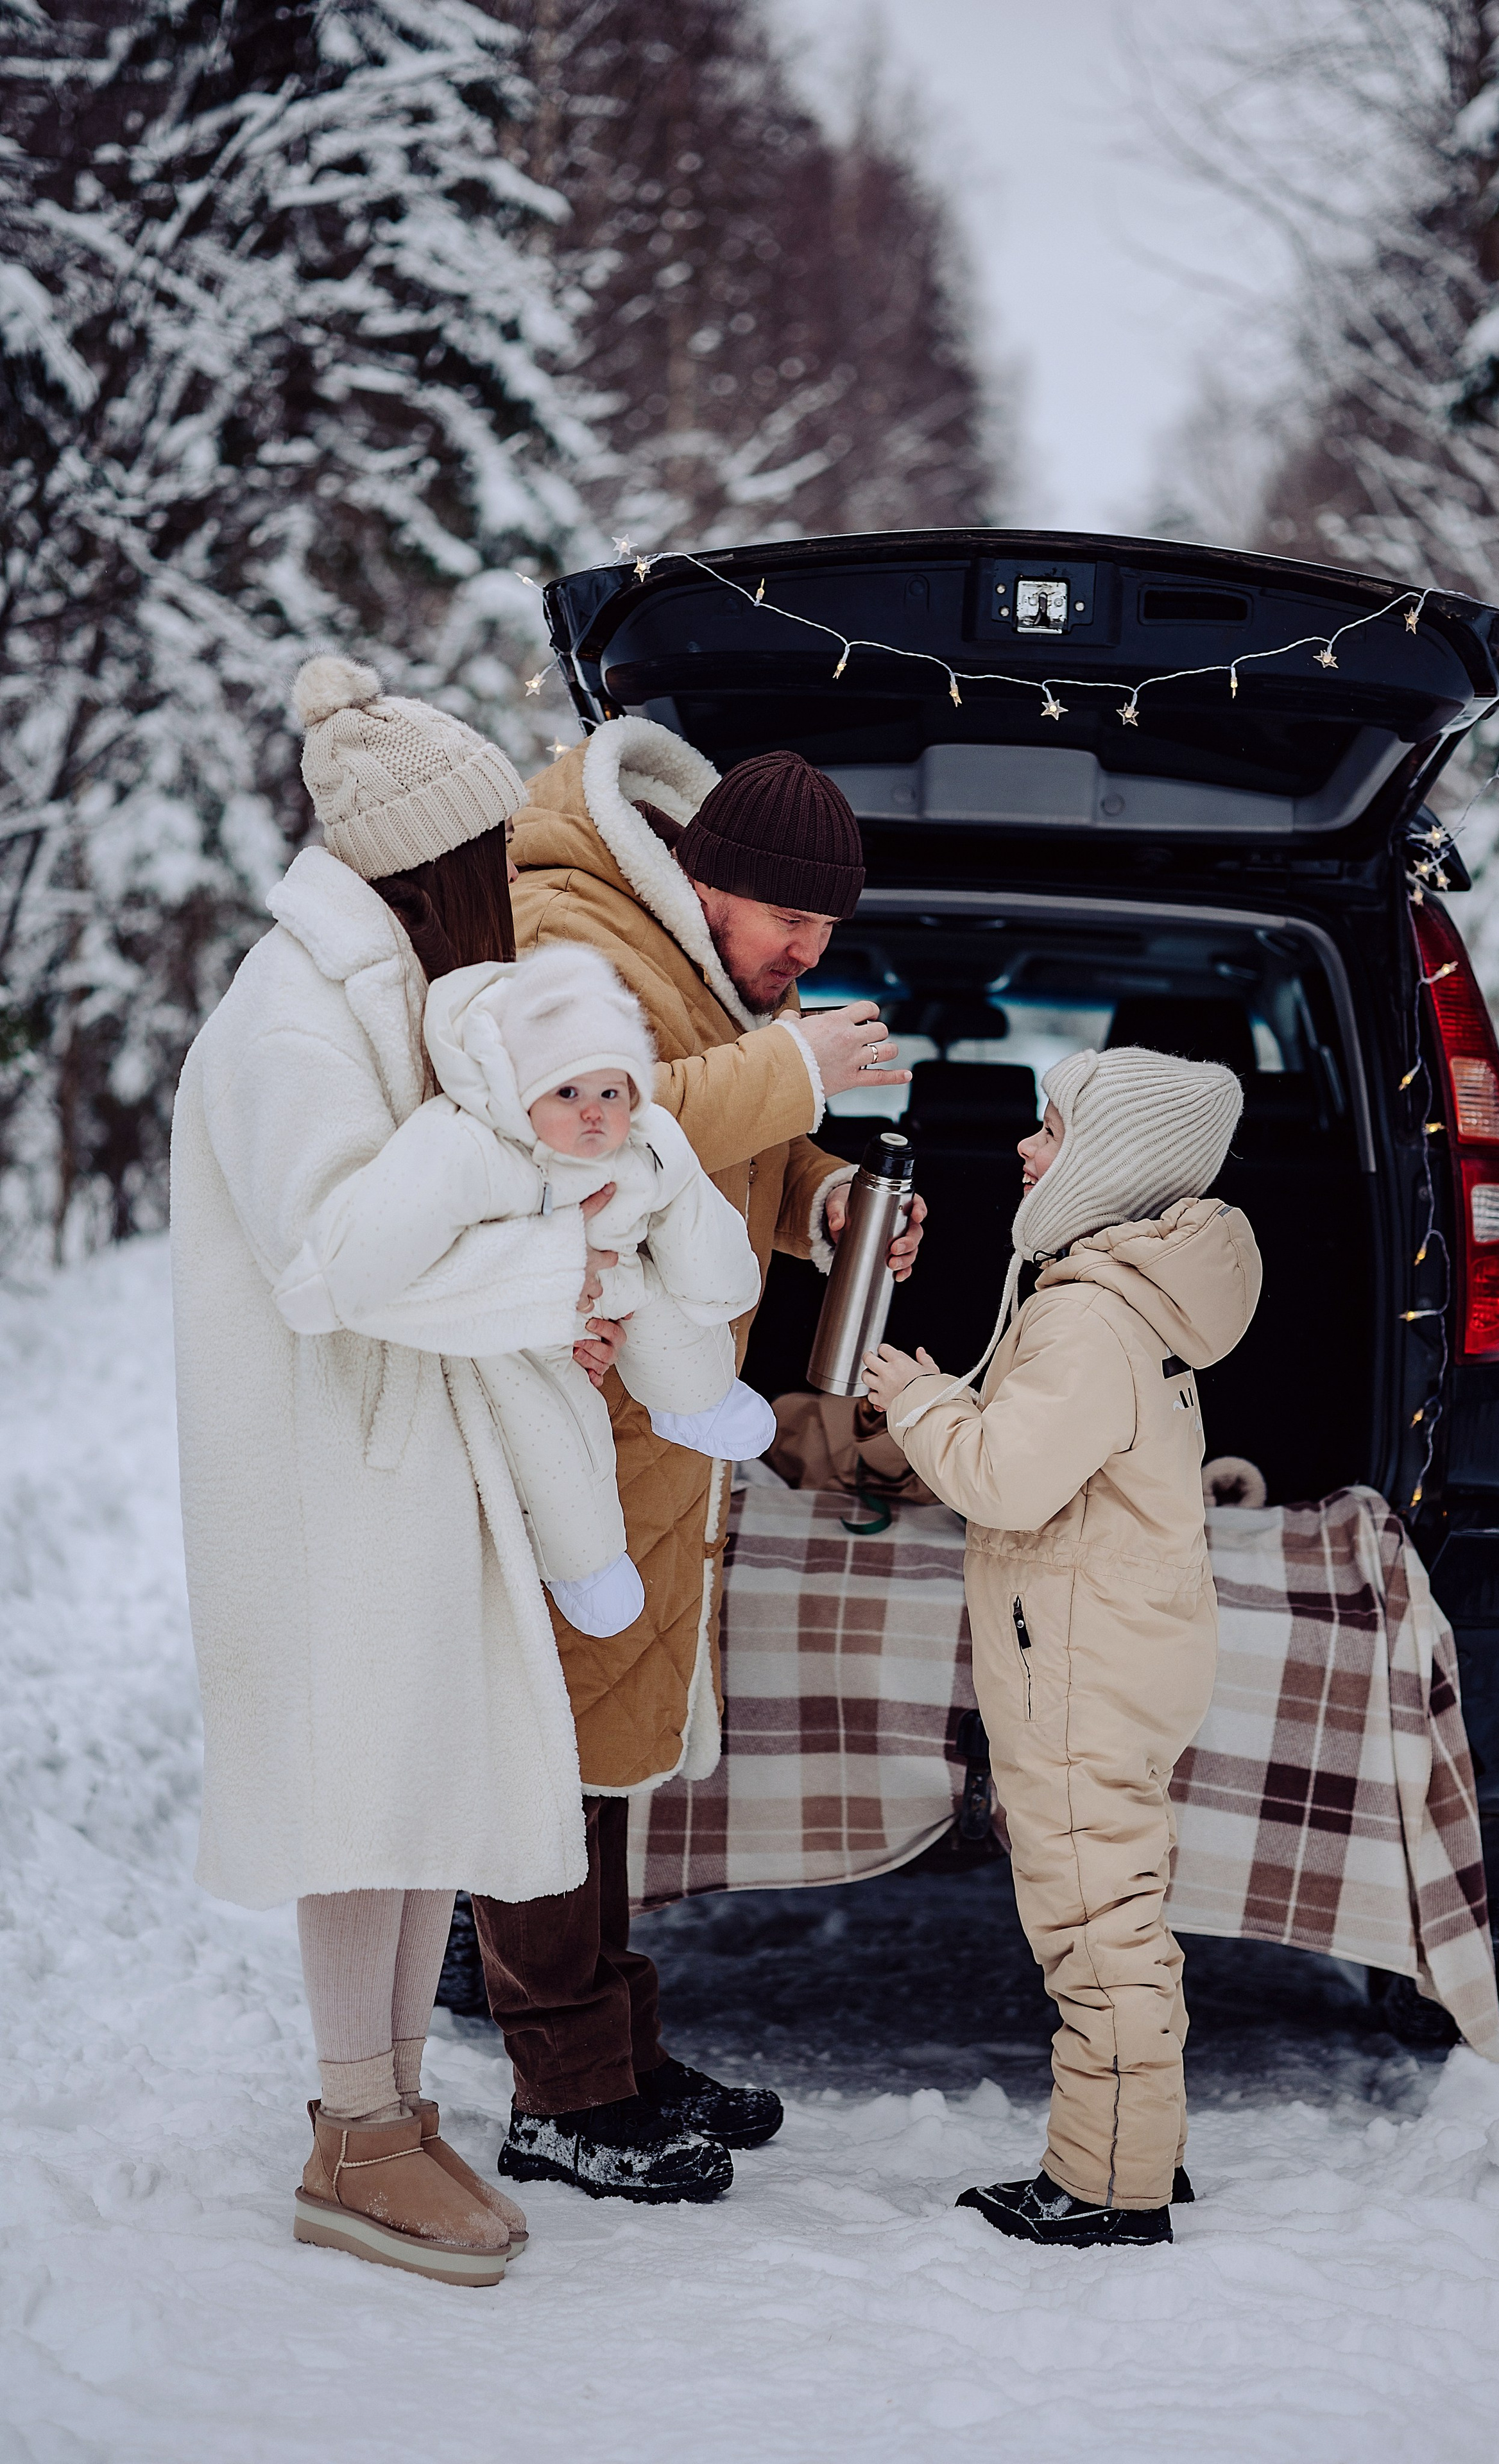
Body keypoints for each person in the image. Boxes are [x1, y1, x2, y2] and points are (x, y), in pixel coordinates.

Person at [170, 653, 615, 2286]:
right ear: (425, 864)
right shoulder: (291, 1013)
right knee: (360, 1782)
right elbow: (334, 1260)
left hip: (404, 1443)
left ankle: (395, 2109)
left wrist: (540, 1275)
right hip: (326, 1460)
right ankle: (352, 2129)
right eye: (487, 853)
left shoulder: (379, 994)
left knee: (415, 1766)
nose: (505, 884)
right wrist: (493, 1188)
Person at [475, 721, 927, 2205]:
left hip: (651, 1428)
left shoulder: (693, 967)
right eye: (788, 918)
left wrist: (824, 1202)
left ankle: (616, 2052)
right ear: (702, 876)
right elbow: (595, 1132)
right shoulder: (569, 933)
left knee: (603, 1748)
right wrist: (790, 1075)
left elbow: (711, 1144)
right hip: (560, 1415)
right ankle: (560, 2092)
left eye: (825, 929)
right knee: (543, 1752)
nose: (805, 947)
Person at [862, 1043, 1261, 2249]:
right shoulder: (1134, 1295)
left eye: (1049, 1132)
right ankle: (1141, 2149)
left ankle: (1105, 2190)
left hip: (1081, 1674)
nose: (1026, 1150)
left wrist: (918, 1400)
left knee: (1099, 1932)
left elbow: (1009, 1480)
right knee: (1122, 1909)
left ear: (1110, 1166)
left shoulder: (1087, 1314)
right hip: (1124, 1653)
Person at [280, 936, 773, 1639]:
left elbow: (691, 1210)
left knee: (673, 1314)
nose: (594, 1113)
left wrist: (721, 1290)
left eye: (611, 1091)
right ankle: (585, 1564)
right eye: (567, 1093)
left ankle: (700, 1402)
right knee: (561, 1447)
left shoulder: (647, 1143)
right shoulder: (475, 1150)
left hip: (619, 1290)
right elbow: (389, 1228)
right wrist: (324, 1284)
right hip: (518, 1337)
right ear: (520, 1092)